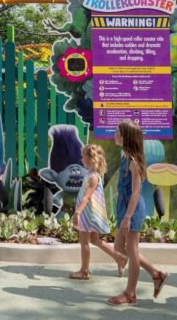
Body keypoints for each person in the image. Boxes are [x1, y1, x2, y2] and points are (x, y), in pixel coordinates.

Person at [108, 120, 168, 305]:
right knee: (119, 248)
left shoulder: (133, 162)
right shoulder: (124, 156)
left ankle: (130, 293)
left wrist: (127, 217)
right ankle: (156, 274)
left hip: (131, 209)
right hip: (124, 206)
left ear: (125, 137)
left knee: (132, 251)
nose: (114, 135)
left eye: (117, 132)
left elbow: (136, 193)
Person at [70, 143, 127, 280]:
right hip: (88, 212)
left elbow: (87, 196)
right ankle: (119, 258)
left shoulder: (94, 177)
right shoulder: (92, 175)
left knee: (84, 242)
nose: (82, 159)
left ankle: (84, 271)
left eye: (84, 157)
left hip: (86, 213)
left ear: (91, 159)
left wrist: (77, 212)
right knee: (95, 240)